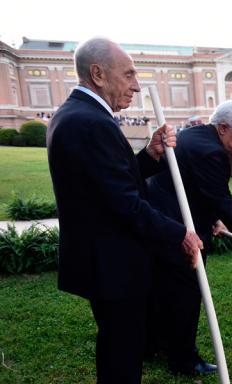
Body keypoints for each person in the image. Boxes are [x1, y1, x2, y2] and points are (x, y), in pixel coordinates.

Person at [46, 37, 203, 383]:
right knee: (122, 358)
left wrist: (150, 155)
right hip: (111, 263)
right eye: (129, 74)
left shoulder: (77, 115)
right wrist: (182, 235)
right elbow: (124, 202)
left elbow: (109, 182)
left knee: (122, 348)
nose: (136, 85)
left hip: (104, 259)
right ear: (98, 74)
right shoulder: (91, 122)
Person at [146, 100, 232, 375]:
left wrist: (212, 218)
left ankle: (154, 346)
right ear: (222, 128)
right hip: (176, 227)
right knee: (186, 294)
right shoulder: (211, 152)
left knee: (164, 291)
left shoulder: (196, 134)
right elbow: (224, 203)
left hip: (163, 219)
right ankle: (183, 360)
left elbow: (199, 187)